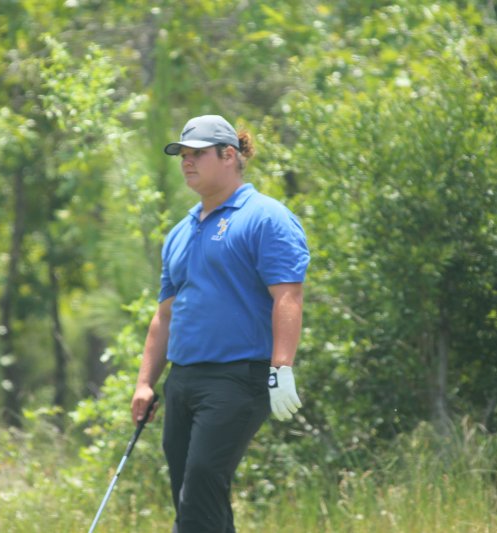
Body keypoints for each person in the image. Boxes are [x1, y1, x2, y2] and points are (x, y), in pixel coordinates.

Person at [130, 114, 310, 533]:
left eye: (197, 154)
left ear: (228, 155)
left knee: (200, 488)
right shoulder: (181, 231)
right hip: (183, 380)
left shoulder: (266, 217)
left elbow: (288, 296)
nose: (186, 162)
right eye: (182, 155)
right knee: (192, 497)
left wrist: (281, 368)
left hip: (237, 378)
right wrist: (145, 383)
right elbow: (165, 314)